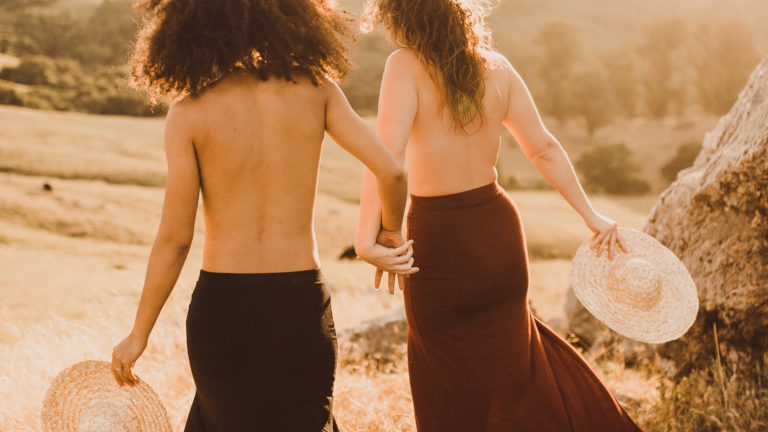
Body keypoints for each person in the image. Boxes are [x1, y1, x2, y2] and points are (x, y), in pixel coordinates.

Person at [111, 0, 415, 430]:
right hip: (299, 303)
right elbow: (392, 171)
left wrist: (138, 334)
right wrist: (389, 232)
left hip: (223, 310)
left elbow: (175, 239)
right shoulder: (317, 90)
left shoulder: (189, 113)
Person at [355, 0, 643, 430]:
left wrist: (368, 237)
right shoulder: (498, 67)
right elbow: (543, 147)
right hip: (498, 234)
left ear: (399, 13)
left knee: (448, 381)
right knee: (516, 372)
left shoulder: (404, 65)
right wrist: (591, 215)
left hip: (438, 240)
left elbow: (387, 157)